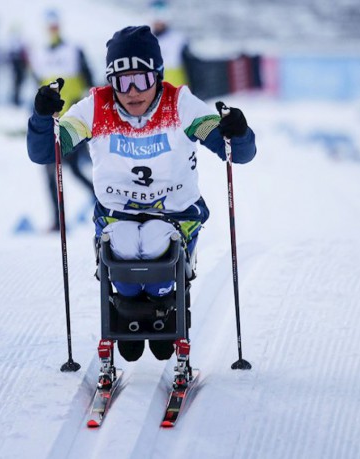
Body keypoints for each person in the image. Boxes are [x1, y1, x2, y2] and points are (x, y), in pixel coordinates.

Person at [26, 26, 256, 388]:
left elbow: (237, 154)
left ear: (158, 75)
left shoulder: (179, 104)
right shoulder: (95, 107)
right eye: (122, 81)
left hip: (176, 216)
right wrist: (42, 119)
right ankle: (129, 308)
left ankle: (163, 303)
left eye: (142, 79)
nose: (132, 92)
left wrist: (238, 132)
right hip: (117, 214)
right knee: (124, 246)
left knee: (154, 243)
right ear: (110, 81)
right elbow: (44, 152)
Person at [29, 9, 95, 231]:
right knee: (49, 171)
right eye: (49, 25)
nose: (53, 29)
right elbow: (38, 85)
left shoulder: (74, 50)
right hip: (51, 122)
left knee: (74, 169)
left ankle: (101, 201)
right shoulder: (38, 53)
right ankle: (57, 221)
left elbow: (89, 81)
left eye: (55, 25)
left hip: (73, 122)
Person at [149, 0, 194, 89]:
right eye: (155, 16)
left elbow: (191, 69)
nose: (158, 21)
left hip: (176, 93)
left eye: (162, 16)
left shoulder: (179, 40)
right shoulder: (147, 41)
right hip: (155, 94)